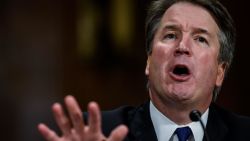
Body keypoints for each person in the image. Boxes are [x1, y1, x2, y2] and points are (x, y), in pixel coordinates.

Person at [38, 0, 250, 141]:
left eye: (200, 39)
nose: (182, 46)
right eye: (170, 35)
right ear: (148, 62)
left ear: (220, 72)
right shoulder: (94, 131)